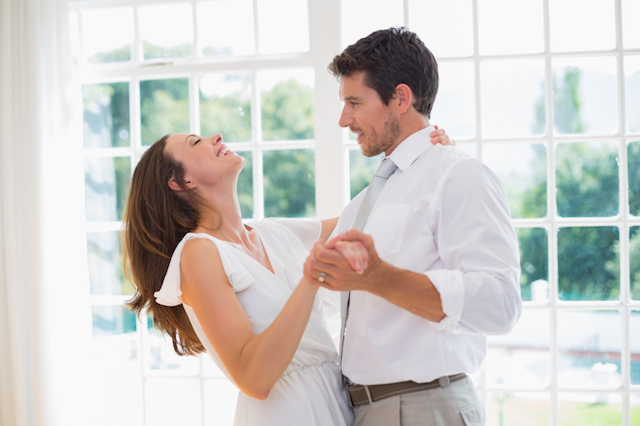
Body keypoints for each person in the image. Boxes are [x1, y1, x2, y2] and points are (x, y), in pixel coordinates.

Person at [122, 128, 452, 425]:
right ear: (181, 183)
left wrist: (425, 163)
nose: (216, 137)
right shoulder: (199, 254)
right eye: (196, 142)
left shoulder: (270, 233)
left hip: (334, 402)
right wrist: (310, 281)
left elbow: (369, 216)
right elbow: (253, 379)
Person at [303, 27, 522, 426]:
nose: (343, 119)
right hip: (366, 409)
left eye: (354, 102)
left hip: (423, 408)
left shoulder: (458, 175)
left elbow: (499, 303)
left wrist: (379, 277)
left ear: (400, 98)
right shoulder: (370, 200)